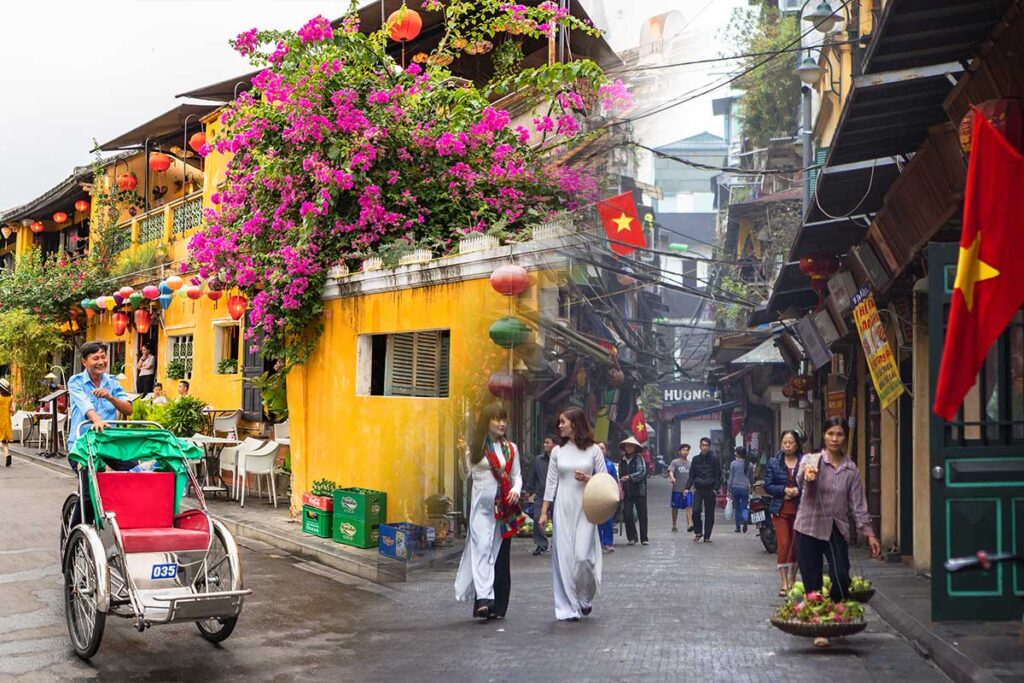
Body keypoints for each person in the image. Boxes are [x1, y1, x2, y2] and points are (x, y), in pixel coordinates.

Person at [795, 417, 881, 647]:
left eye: (839, 434)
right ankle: (819, 628)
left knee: (841, 577)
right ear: (824, 436)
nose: (835, 438)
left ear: (845, 437)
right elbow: (800, 480)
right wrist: (807, 476)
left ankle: (834, 614)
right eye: (831, 433)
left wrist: (869, 533)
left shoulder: (850, 469)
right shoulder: (811, 460)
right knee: (811, 581)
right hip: (809, 526)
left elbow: (858, 504)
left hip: (836, 529)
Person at [455, 402, 522, 620]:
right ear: (487, 422)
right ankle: (484, 599)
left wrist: (516, 490)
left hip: (502, 509)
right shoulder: (475, 447)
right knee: (482, 550)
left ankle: (495, 603)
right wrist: (460, 455)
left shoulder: (510, 448)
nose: (502, 423)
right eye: (496, 419)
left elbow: (516, 476)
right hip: (480, 509)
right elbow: (465, 475)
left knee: (496, 554)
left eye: (503, 419)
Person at [538, 406, 604, 621]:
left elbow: (605, 481)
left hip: (586, 508)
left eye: (563, 422)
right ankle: (567, 607)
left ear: (574, 424)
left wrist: (587, 479)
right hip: (563, 508)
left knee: (583, 557)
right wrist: (544, 512)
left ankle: (585, 597)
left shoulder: (594, 450)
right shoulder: (557, 451)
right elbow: (551, 483)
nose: (559, 426)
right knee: (564, 559)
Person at [764, 430, 803, 596]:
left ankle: (793, 580)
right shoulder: (774, 462)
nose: (788, 446)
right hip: (780, 509)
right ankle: (783, 582)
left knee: (796, 547)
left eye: (791, 443)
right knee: (784, 544)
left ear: (797, 444)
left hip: (800, 510)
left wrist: (798, 490)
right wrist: (783, 490)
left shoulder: (804, 462)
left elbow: (811, 483)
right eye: (785, 443)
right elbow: (768, 485)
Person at [524, 434, 556, 556]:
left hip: (556, 495)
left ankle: (557, 544)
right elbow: (533, 475)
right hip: (541, 495)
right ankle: (541, 544)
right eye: (544, 442)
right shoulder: (539, 460)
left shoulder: (559, 459)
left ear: (554, 444)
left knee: (557, 520)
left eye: (547, 442)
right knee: (537, 518)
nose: (545, 445)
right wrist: (528, 490)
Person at [685, 437, 721, 543]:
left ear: (709, 447)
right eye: (703, 445)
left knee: (709, 514)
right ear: (700, 446)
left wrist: (715, 489)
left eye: (706, 445)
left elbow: (718, 475)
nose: (704, 447)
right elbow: (691, 475)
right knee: (695, 511)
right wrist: (687, 488)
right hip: (699, 489)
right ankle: (698, 531)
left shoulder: (714, 458)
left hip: (710, 490)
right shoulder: (696, 459)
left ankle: (707, 536)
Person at [618, 436, 648, 545]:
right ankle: (631, 537)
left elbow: (642, 472)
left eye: (631, 446)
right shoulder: (622, 460)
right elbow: (620, 474)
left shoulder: (639, 458)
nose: (629, 448)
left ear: (635, 448)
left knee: (642, 515)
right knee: (627, 514)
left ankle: (644, 538)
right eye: (627, 446)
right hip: (627, 491)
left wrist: (629, 477)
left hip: (639, 491)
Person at [596, 442, 618, 553]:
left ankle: (607, 542)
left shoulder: (610, 465)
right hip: (594, 495)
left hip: (607, 495)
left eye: (603, 449)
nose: (600, 451)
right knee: (596, 520)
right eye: (598, 449)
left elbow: (615, 481)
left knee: (608, 520)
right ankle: (597, 542)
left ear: (606, 451)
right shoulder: (591, 465)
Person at [727, 447, 754, 533]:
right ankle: (745, 518)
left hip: (735, 487)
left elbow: (731, 477)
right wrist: (752, 487)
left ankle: (738, 527)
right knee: (744, 506)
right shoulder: (749, 464)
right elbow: (751, 478)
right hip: (745, 487)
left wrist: (729, 489)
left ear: (738, 454)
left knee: (737, 508)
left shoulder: (733, 464)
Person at [668, 444, 692, 532]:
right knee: (675, 508)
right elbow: (671, 471)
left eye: (687, 450)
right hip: (677, 489)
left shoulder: (690, 464)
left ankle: (689, 524)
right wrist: (672, 478)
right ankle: (674, 524)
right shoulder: (675, 462)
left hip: (688, 489)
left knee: (689, 506)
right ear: (679, 452)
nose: (685, 452)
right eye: (683, 450)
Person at [0, 378, 13, 467]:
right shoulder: (10, 397)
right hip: (6, 420)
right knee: (4, 441)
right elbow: (12, 409)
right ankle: (7, 454)